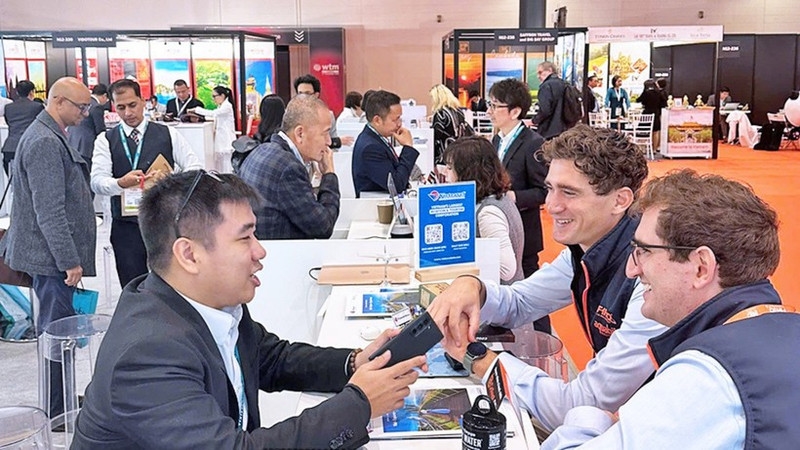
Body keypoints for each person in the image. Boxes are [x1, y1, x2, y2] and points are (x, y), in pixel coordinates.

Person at [71, 170, 427, 449]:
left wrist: (354, 363)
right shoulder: (146, 354)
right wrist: (360, 403)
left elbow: (272, 359)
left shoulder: (212, 305)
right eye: (245, 238)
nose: (260, 251)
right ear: (189, 254)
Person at [430, 125, 666, 432]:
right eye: (550, 188)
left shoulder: (652, 276)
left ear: (620, 200)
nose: (552, 205)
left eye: (569, 192)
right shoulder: (586, 250)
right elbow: (521, 302)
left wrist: (478, 359)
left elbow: (581, 403)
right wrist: (473, 288)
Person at [541, 169, 800, 448]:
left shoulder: (706, 376)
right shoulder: (782, 333)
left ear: (701, 267)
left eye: (644, 251)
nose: (631, 270)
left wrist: (592, 419)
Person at [0, 77, 96, 418]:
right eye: (81, 107)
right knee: (57, 335)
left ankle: (62, 399)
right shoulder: (43, 141)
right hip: (51, 260)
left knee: (59, 332)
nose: (86, 113)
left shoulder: (50, 134)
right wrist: (69, 260)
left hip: (50, 257)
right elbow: (49, 211)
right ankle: (58, 410)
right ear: (58, 102)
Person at [91, 79, 202, 288]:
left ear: (143, 101)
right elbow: (97, 181)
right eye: (121, 107)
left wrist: (170, 182)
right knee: (133, 285)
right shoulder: (106, 139)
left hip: (165, 222)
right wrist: (120, 183)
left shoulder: (168, 133)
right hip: (126, 226)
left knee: (173, 284)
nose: (128, 113)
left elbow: (194, 168)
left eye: (132, 105)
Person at [238, 95, 340, 240]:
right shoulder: (288, 168)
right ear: (300, 133)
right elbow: (323, 227)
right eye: (325, 133)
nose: (329, 141)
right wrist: (329, 175)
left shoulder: (262, 149)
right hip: (283, 252)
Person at [487, 78, 547, 281]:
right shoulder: (497, 139)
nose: (489, 111)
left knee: (528, 287)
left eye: (495, 106)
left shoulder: (534, 143)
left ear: (515, 112)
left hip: (524, 230)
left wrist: (515, 197)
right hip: (499, 227)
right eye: (490, 105)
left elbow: (544, 191)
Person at [442, 136, 524, 284]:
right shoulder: (498, 198)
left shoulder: (488, 213)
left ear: (467, 172)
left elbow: (507, 270)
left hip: (498, 293)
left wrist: (461, 250)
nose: (445, 173)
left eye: (449, 168)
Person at [351, 89, 419, 198]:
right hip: (375, 205)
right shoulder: (371, 148)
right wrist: (408, 147)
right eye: (395, 120)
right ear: (377, 120)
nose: (399, 124)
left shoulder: (375, 138)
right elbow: (396, 185)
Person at [293, 74, 354, 148]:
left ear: (316, 95)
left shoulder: (327, 115)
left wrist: (336, 142)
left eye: (307, 93)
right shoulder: (291, 116)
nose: (303, 97)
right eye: (300, 93)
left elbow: (331, 141)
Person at [190, 85, 237, 173]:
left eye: (215, 96)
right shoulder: (221, 106)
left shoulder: (227, 106)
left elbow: (213, 113)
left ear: (222, 95)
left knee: (226, 164)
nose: (213, 99)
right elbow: (214, 117)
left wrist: (196, 109)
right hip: (221, 138)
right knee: (220, 163)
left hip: (226, 138)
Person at [1, 80, 44, 175]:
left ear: (17, 92)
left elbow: (9, 123)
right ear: (31, 92)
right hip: (30, 147)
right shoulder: (37, 107)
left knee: (13, 179)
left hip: (10, 148)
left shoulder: (8, 107)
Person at [67, 83, 109, 171]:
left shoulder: (82, 101)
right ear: (104, 96)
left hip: (73, 141)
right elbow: (100, 130)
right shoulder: (97, 107)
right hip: (87, 146)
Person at [429, 84, 466, 166]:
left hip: (444, 153)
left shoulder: (440, 113)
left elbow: (436, 135)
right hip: (460, 151)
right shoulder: (459, 111)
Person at [533, 61, 568, 139]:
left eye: (540, 72)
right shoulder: (565, 84)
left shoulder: (546, 86)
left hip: (549, 131)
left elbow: (545, 110)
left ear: (550, 70)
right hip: (565, 129)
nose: (538, 76)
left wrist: (534, 121)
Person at [637, 79, 668, 151]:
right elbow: (663, 103)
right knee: (655, 131)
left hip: (646, 113)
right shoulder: (659, 93)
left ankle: (643, 148)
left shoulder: (646, 93)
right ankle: (654, 149)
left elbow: (638, 100)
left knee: (643, 130)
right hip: (656, 113)